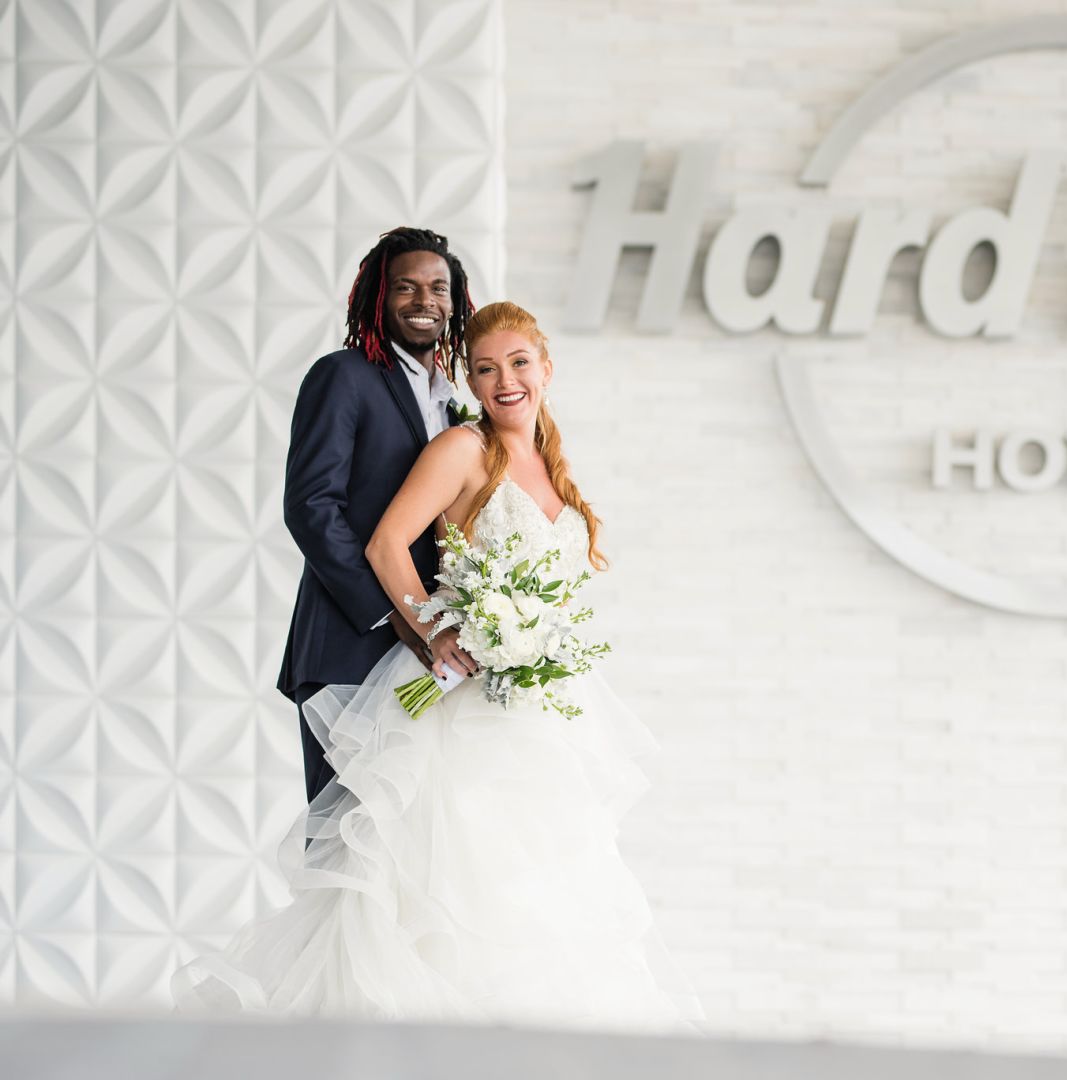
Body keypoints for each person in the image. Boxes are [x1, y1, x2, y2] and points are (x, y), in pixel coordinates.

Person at [172, 302, 705, 1034]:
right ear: (470, 381)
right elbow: (387, 546)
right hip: (456, 700)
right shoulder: (462, 449)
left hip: (537, 713)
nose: (503, 379)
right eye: (484, 368)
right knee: (439, 884)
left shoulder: (552, 461)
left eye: (518, 363)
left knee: (538, 890)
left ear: (546, 369)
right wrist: (437, 634)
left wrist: (535, 640)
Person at [277, 226, 474, 805]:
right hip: (350, 646)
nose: (425, 302)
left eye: (438, 288)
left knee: (411, 847)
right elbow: (311, 508)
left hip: (436, 659)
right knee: (347, 847)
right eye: (405, 288)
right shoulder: (343, 376)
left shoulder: (453, 403)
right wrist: (398, 615)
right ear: (376, 297)